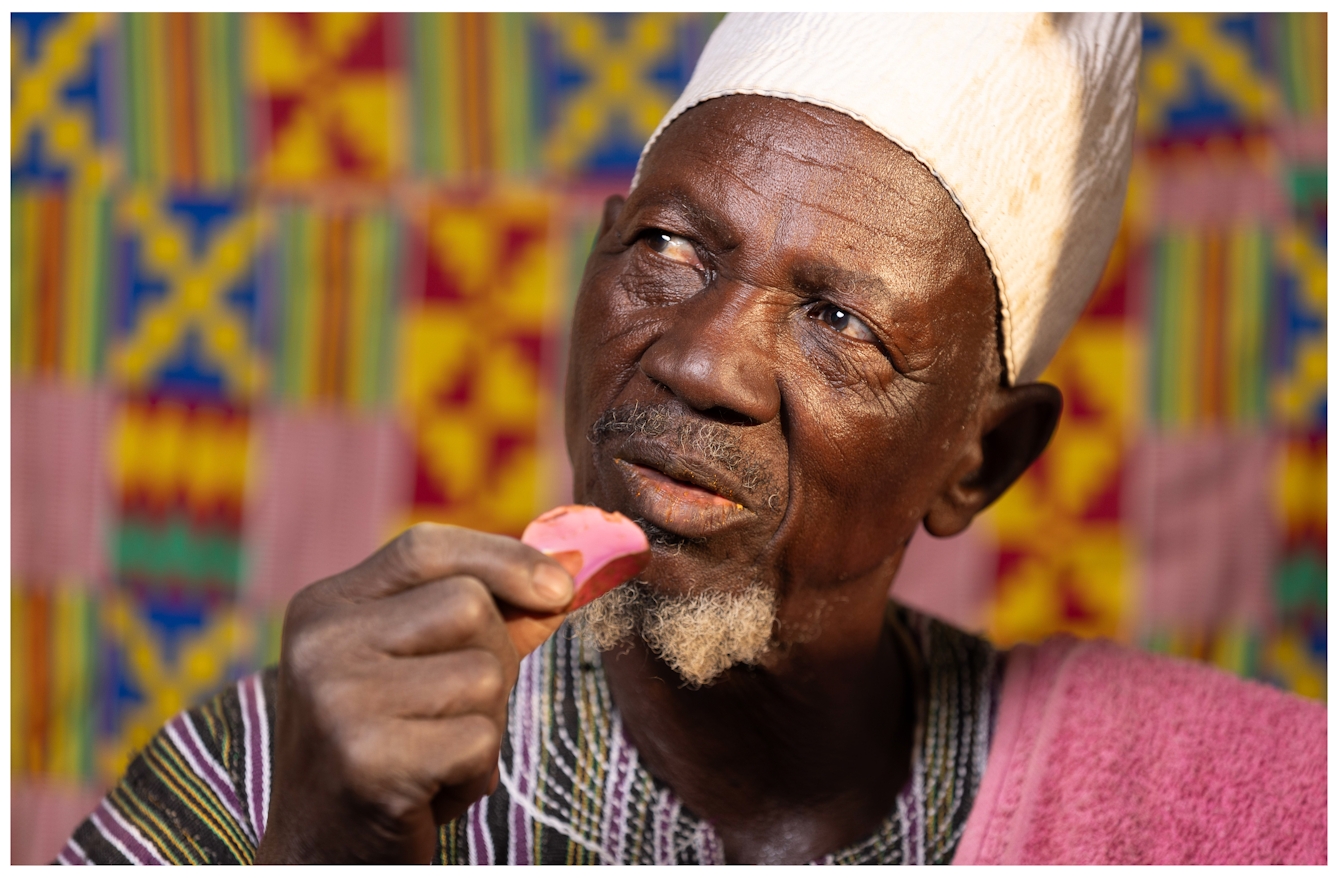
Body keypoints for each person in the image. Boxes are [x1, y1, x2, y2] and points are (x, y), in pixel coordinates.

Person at [58, 13, 1325, 866]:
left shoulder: (1202, 802)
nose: (700, 357)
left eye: (839, 318)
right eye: (669, 246)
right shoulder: (282, 768)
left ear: (979, 460)